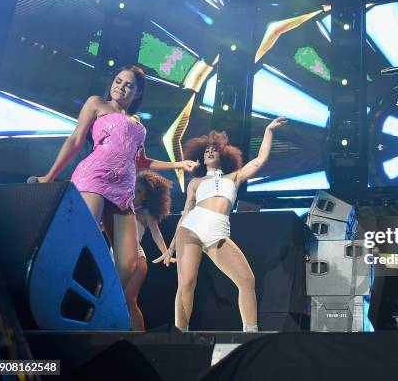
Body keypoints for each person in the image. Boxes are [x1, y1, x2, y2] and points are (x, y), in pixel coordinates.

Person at [30, 65, 197, 313]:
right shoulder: (97, 103)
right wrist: (49, 176)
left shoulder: (138, 125)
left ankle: (100, 308)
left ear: (138, 93)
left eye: (128, 85)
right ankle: (48, 297)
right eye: (118, 81)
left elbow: (141, 161)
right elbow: (76, 140)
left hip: (123, 191)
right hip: (95, 177)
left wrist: (178, 164)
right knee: (82, 238)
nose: (121, 87)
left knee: (129, 264)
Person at [157, 116, 287, 332]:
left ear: (223, 154)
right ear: (201, 156)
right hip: (191, 229)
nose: (209, 152)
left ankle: (250, 333)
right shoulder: (196, 183)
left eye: (214, 149)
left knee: (246, 280)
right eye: (206, 150)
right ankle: (180, 334)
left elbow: (260, 160)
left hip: (218, 234)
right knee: (187, 283)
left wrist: (269, 131)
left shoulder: (234, 177)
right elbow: (186, 212)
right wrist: (170, 248)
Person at [118, 170, 176, 331]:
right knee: (113, 301)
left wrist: (166, 253)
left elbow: (157, 235)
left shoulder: (145, 213)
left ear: (146, 196)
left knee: (129, 300)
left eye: (139, 191)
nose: (135, 193)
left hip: (135, 258)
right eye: (133, 189)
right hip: (113, 259)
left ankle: (140, 341)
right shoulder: (119, 209)